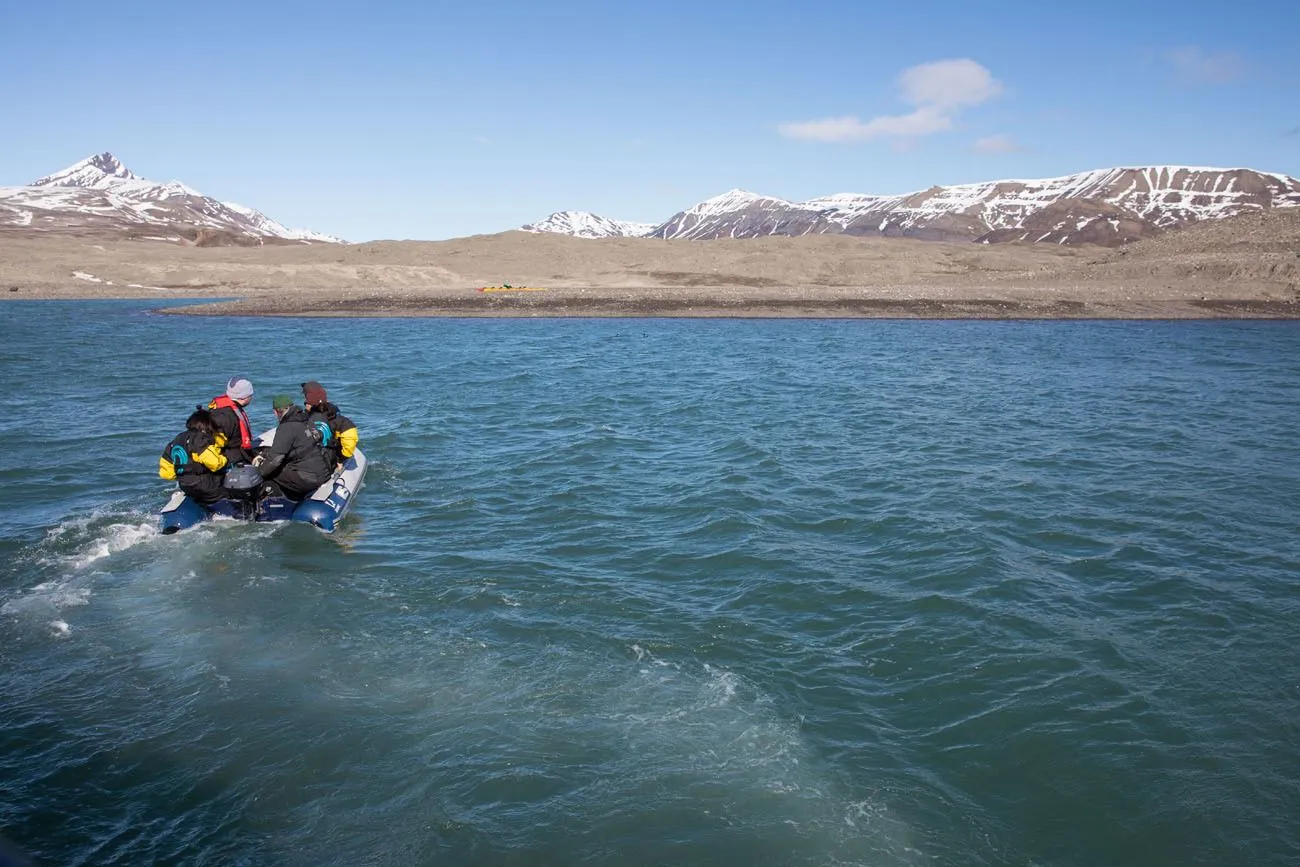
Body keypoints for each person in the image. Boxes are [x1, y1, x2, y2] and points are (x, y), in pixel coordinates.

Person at [255, 395, 334, 501]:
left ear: (276, 412)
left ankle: (272, 497)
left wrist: (259, 474)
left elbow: (275, 460)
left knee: (271, 470)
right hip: (323, 472)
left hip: (309, 479)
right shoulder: (307, 420)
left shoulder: (286, 427)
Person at [158, 409, 228, 505]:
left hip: (185, 486)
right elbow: (215, 464)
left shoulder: (177, 439)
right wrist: (225, 459)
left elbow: (166, 473)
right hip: (207, 487)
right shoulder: (200, 439)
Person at [301, 379, 359, 469]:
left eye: (306, 400)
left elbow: (350, 435)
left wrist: (340, 458)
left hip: (326, 459)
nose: (305, 403)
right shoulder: (334, 414)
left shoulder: (325, 419)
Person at [205, 376, 256, 466]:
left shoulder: (219, 410)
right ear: (245, 397)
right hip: (231, 461)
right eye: (250, 395)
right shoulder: (228, 416)